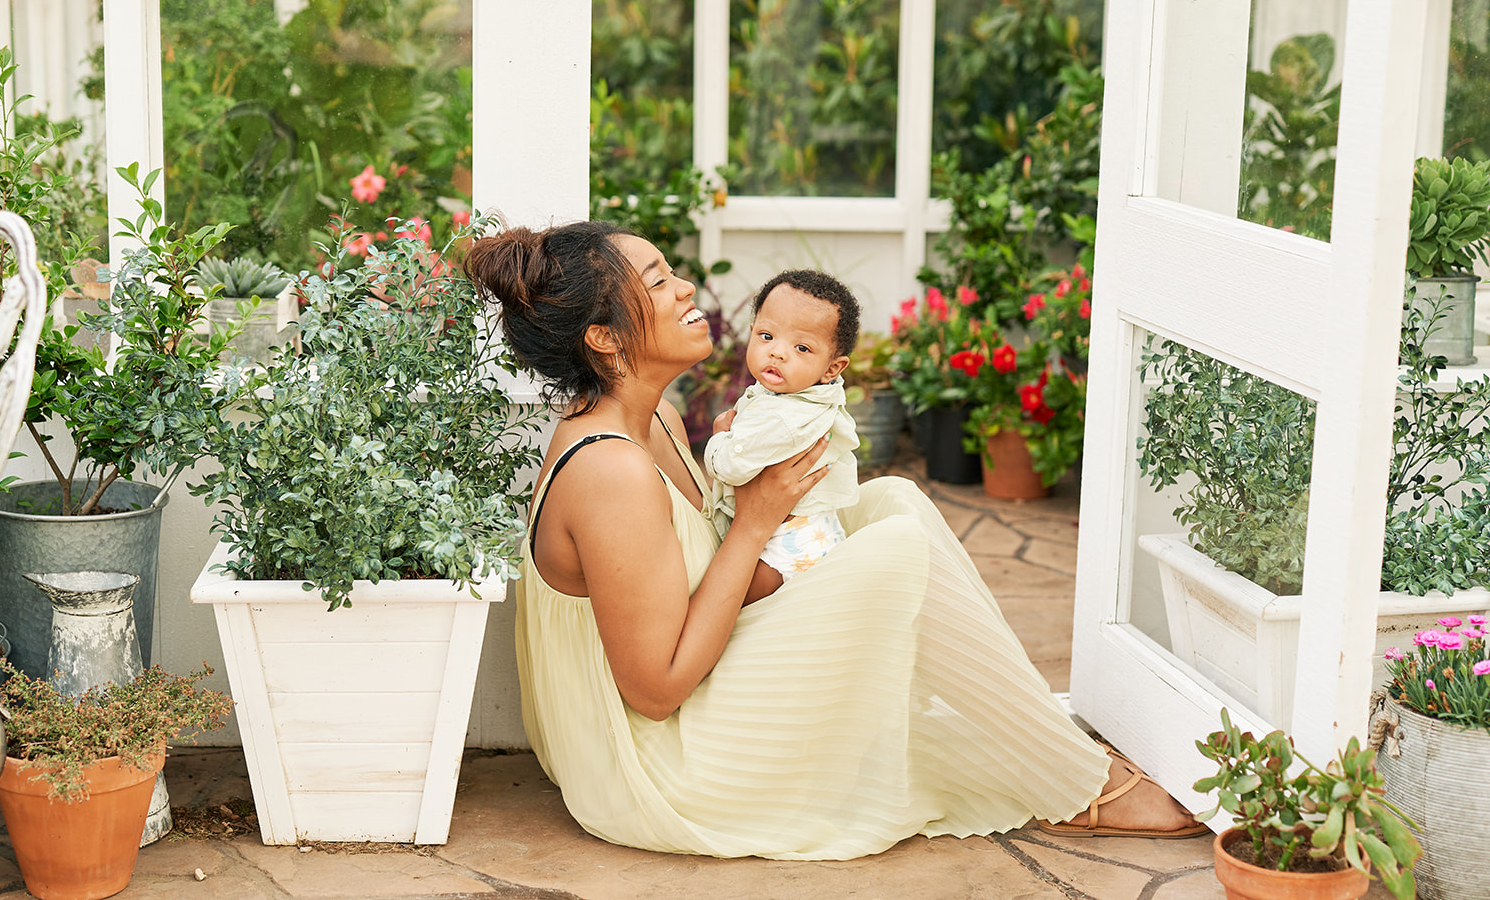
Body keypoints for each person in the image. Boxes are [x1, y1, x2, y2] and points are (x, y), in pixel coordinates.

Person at [466, 219, 1205, 860]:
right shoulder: (609, 468)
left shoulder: (649, 416)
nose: (687, 286)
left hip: (690, 700)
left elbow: (696, 562)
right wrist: (756, 523)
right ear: (603, 336)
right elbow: (655, 690)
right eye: (659, 282)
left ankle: (1049, 747)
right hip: (660, 770)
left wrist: (765, 517)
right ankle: (1077, 781)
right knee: (896, 551)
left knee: (890, 503)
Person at [704, 269, 862, 604]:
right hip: (806, 531)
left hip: (787, 545)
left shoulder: (784, 416)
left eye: (802, 347)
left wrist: (719, 437)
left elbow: (732, 466)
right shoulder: (804, 392)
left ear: (832, 368)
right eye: (766, 336)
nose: (778, 352)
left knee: (732, 609)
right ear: (751, 333)